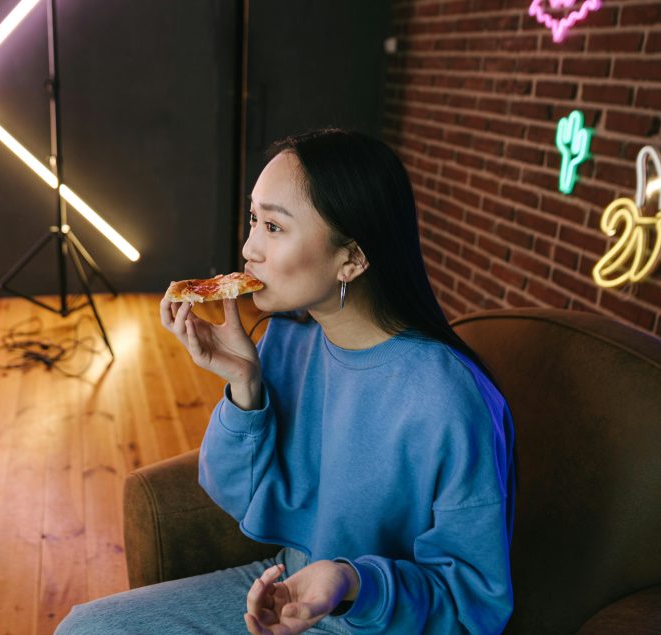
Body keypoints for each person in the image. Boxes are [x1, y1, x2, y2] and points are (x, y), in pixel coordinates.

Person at [56, 129, 515, 634]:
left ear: (352, 259)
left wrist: (351, 582)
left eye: (274, 227)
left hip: (381, 622)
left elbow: (474, 605)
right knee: (85, 628)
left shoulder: (450, 399)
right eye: (254, 219)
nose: (249, 249)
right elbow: (234, 495)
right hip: (280, 594)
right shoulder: (289, 340)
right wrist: (244, 386)